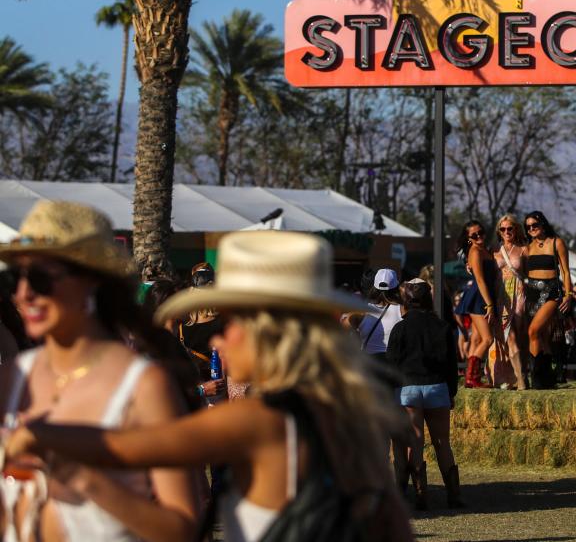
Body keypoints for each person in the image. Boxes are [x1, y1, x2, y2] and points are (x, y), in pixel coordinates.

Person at [6, 230, 415, 542]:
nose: (217, 339)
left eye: (229, 326)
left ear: (268, 334)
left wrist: (38, 434)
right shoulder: (349, 420)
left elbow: (131, 446)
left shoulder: (260, 420)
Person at [0, 200, 200, 542]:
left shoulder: (143, 386)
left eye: (39, 278)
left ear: (92, 281)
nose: (23, 293)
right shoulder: (15, 378)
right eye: (15, 277)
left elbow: (182, 528)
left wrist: (80, 475)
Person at [385, 279, 462, 511]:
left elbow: (392, 364)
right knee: (442, 443)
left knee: (415, 443)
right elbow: (451, 365)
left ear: (406, 302)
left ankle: (421, 496)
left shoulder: (400, 328)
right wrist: (451, 392)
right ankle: (454, 496)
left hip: (407, 389)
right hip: (437, 388)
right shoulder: (443, 327)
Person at [523, 211, 572, 389]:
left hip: (551, 292)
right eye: (528, 227)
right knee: (542, 337)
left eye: (534, 225)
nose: (532, 229)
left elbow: (566, 271)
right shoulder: (527, 246)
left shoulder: (556, 242)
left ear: (543, 224)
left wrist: (569, 295)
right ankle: (550, 375)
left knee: (533, 331)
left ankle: (536, 378)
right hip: (532, 293)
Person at [453, 221, 499, 388]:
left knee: (478, 338)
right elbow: (479, 280)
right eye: (474, 235)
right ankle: (472, 377)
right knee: (488, 339)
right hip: (480, 298)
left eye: (480, 232)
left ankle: (470, 378)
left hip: (482, 297)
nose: (479, 236)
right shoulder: (475, 251)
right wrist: (489, 305)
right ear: (468, 238)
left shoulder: (483, 250)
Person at [492, 214, 527, 389]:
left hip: (520, 295)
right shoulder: (494, 251)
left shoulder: (524, 249)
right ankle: (521, 381)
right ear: (499, 231)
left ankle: (521, 375)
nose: (506, 232)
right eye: (503, 229)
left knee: (520, 337)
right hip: (501, 296)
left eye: (510, 228)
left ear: (516, 229)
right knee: (509, 336)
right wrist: (469, 265)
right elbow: (471, 251)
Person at [357, 268, 403, 362]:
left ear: (374, 287)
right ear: (396, 288)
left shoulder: (362, 311)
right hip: (393, 366)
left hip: (369, 366)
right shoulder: (403, 310)